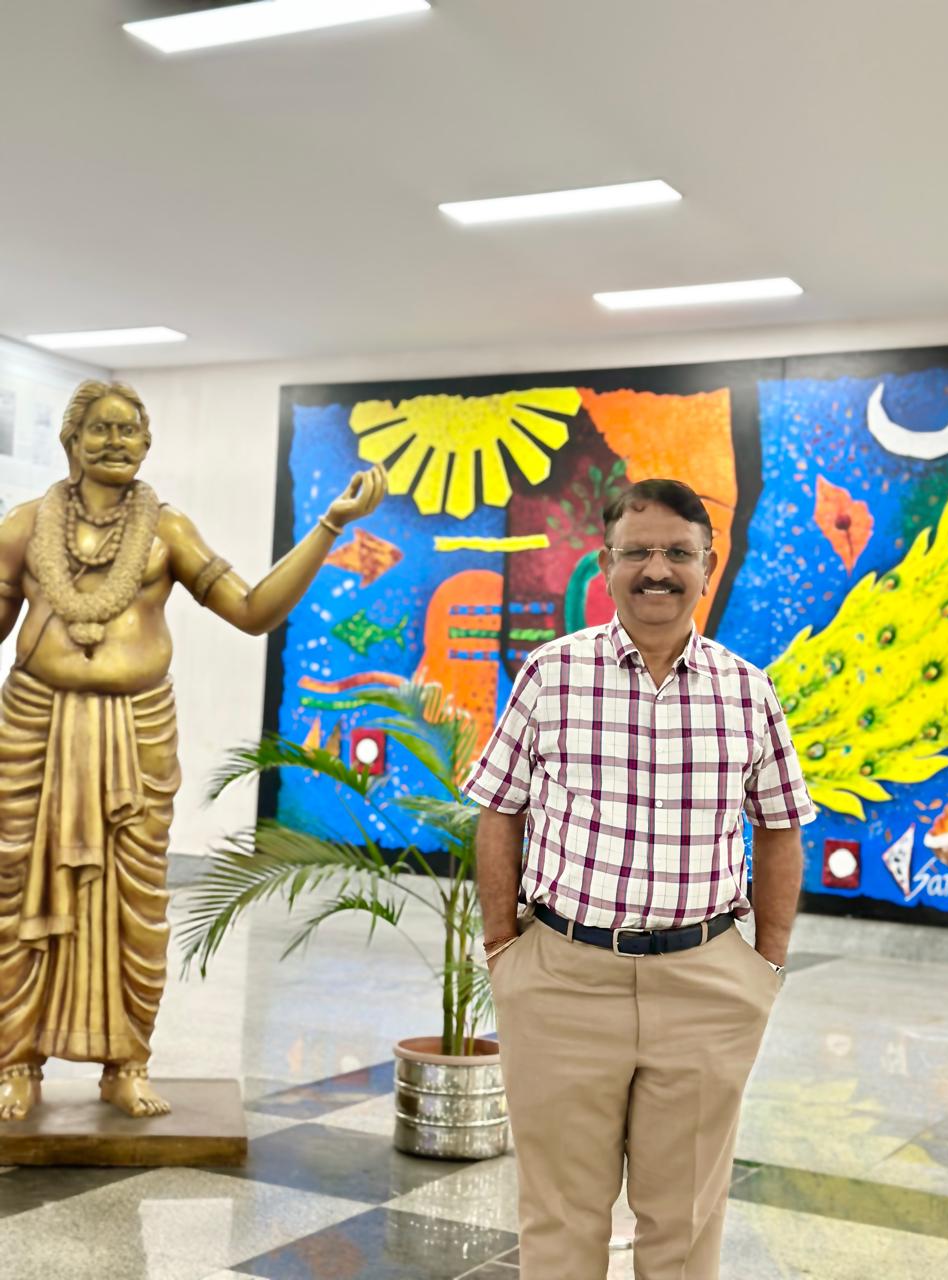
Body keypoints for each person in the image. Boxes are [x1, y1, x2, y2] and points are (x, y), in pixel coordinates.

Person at [0, 380, 385, 1121]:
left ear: (148, 444)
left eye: (130, 431)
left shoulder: (168, 529)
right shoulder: (22, 525)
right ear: (70, 440)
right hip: (36, 729)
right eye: (101, 429)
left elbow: (252, 611)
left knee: (133, 902)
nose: (117, 442)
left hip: (136, 732)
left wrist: (329, 526)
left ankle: (126, 1062)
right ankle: (16, 1063)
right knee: (21, 895)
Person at [463, 477, 815, 1280]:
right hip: (562, 979)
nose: (658, 570)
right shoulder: (551, 674)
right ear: (606, 564)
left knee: (684, 1229)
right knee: (560, 1221)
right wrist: (503, 950)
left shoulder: (747, 690)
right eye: (639, 552)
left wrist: (764, 965)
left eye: (679, 554)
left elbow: (780, 826)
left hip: (705, 986)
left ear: (708, 566)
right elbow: (500, 810)